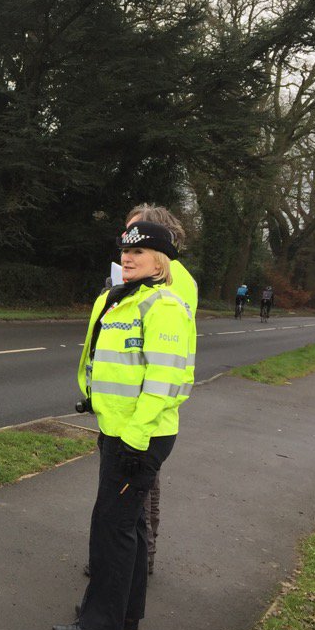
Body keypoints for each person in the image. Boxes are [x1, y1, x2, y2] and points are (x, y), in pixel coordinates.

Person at [54, 220, 196, 630]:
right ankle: (124, 611)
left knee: (111, 528)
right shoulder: (124, 300)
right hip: (118, 430)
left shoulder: (163, 306)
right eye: (124, 251)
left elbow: (166, 380)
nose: (127, 258)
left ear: (162, 259)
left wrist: (135, 437)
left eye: (139, 251)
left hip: (139, 437)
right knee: (128, 524)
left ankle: (99, 625)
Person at [122, 205, 197, 575]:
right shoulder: (169, 274)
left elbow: (161, 352)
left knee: (141, 490)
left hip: (144, 410)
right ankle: (138, 559)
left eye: (136, 238)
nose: (128, 247)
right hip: (139, 406)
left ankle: (140, 560)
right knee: (145, 487)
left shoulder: (170, 279)